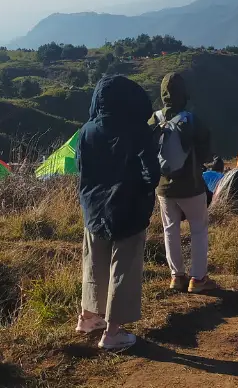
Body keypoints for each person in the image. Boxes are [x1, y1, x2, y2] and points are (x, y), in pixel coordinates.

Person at [76, 75, 159, 352]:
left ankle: (88, 318)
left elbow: (81, 169)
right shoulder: (138, 130)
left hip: (93, 207)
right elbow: (151, 173)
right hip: (128, 207)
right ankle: (112, 334)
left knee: (94, 260)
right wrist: (146, 191)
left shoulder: (87, 130)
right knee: (124, 266)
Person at [149, 72, 216, 294]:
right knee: (198, 229)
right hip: (191, 184)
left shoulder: (154, 119)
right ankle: (198, 279)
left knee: (170, 229)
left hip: (163, 186)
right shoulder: (192, 120)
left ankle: (176, 276)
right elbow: (206, 154)